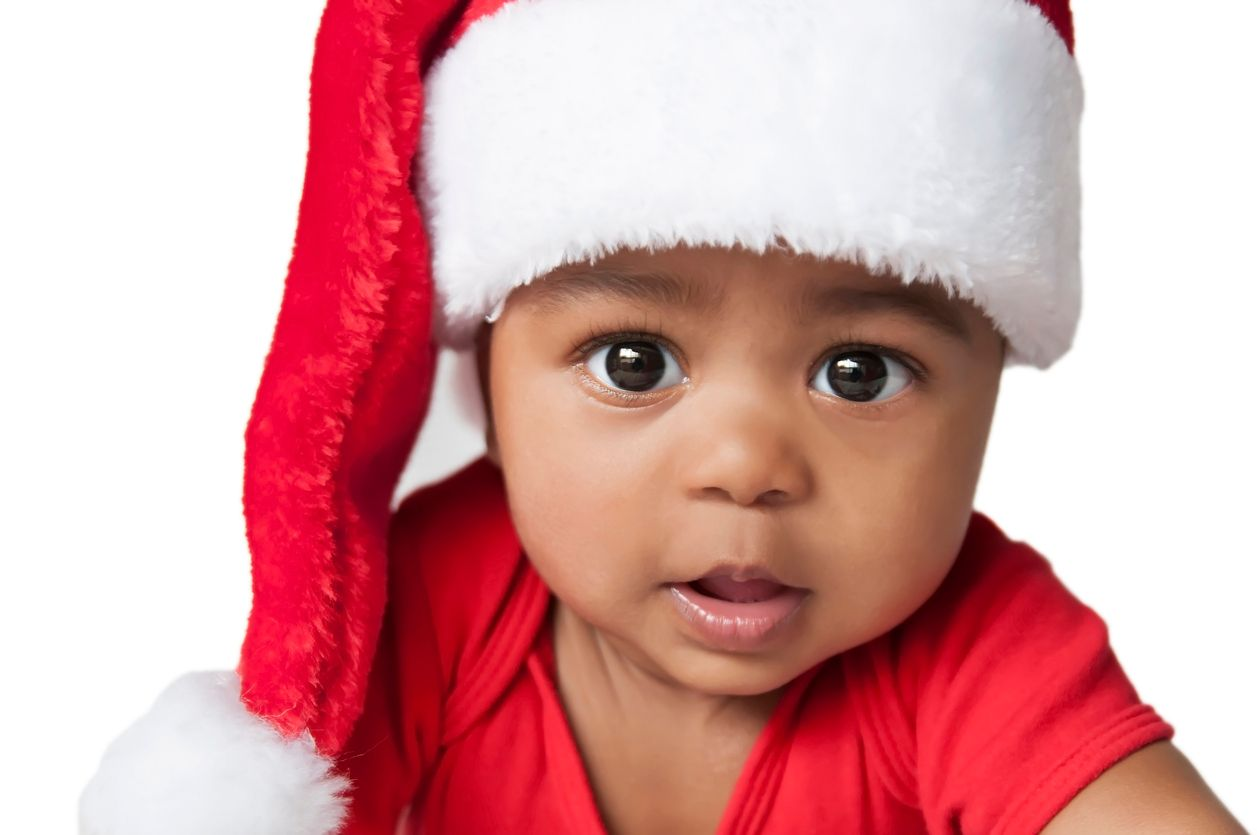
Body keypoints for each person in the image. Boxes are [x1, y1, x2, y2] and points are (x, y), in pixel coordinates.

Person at [79, 0, 1247, 833]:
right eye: (634, 362)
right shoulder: (446, 597)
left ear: (993, 377)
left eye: (859, 372)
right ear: (486, 361)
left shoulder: (979, 648)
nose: (746, 465)